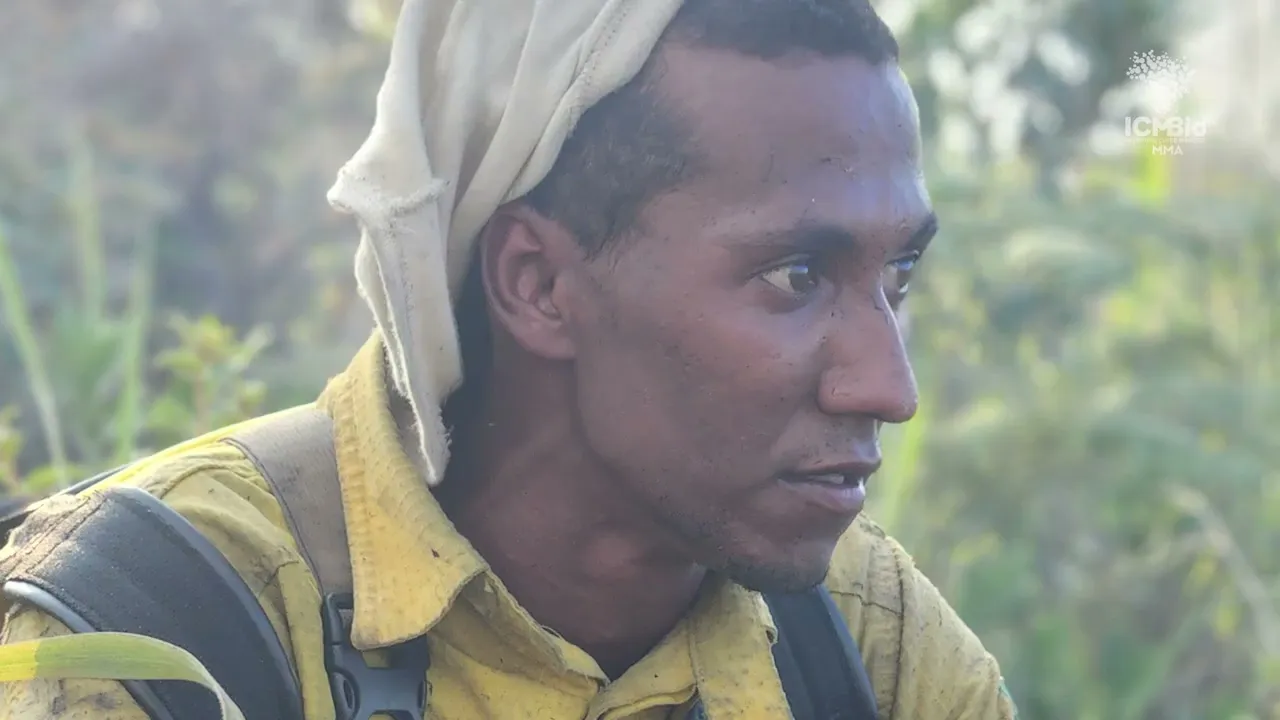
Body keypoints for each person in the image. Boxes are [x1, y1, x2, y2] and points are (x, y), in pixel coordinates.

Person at [0, 0, 1019, 717]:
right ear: (537, 283)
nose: (889, 388)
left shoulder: (860, 644)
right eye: (794, 276)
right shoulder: (155, 632)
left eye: (897, 278)